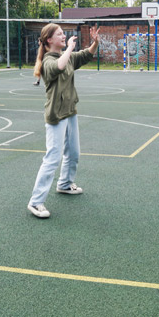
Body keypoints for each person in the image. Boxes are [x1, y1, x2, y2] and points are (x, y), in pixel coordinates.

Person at [27, 23, 100, 218]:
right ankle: (36, 202)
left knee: (74, 152)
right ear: (49, 40)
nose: (63, 36)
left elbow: (85, 55)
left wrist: (95, 43)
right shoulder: (49, 61)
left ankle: (65, 184)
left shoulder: (66, 57)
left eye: (63, 34)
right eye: (59, 34)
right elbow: (58, 67)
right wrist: (68, 48)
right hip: (56, 115)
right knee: (52, 158)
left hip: (70, 111)